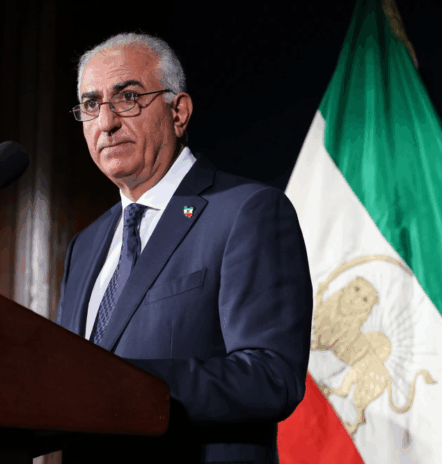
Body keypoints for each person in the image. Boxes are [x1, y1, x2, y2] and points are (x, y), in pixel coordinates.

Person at [56, 32, 313, 464]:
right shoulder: (85, 245)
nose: (107, 122)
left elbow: (273, 376)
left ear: (179, 112)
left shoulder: (247, 212)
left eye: (128, 98)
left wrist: (123, 385)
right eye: (91, 104)